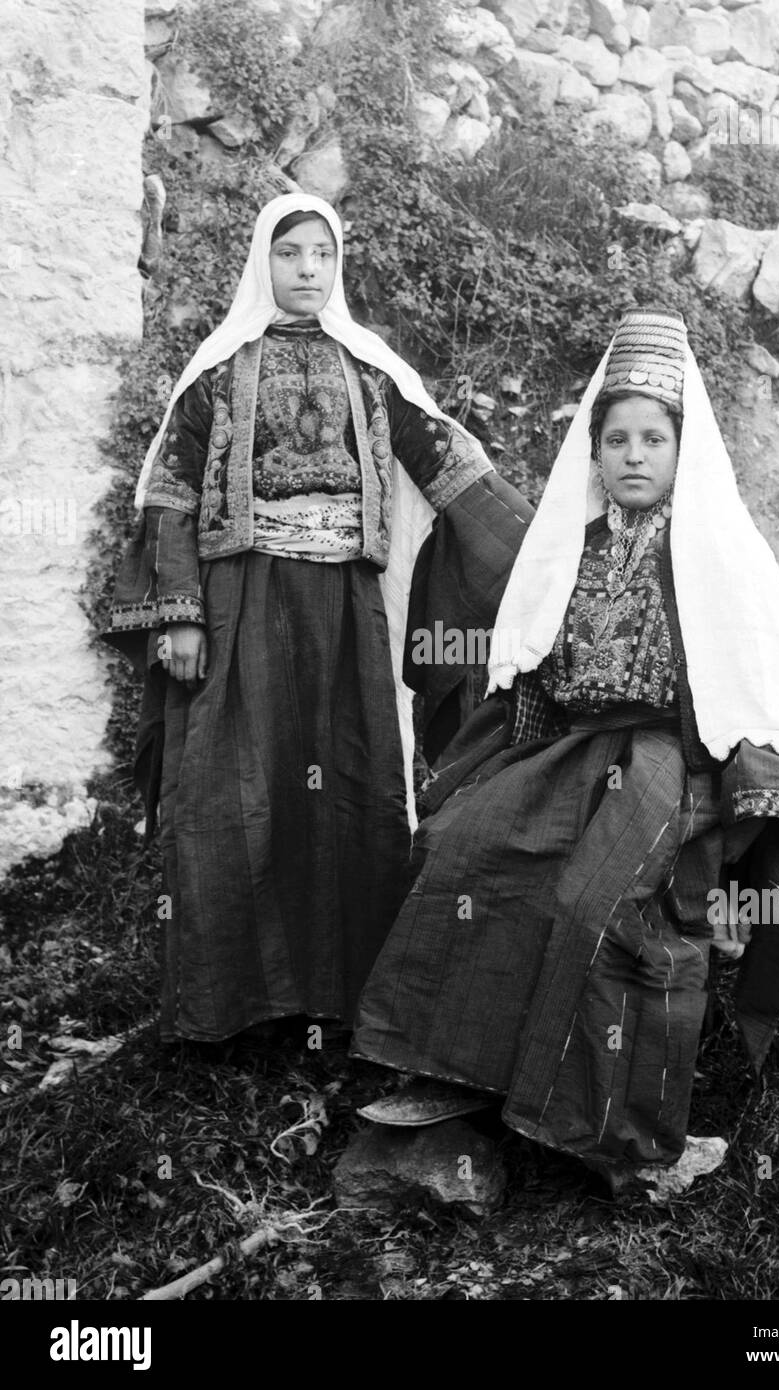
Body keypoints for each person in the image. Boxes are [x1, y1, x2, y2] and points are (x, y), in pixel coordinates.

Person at [350, 308, 779, 1191]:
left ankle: (626, 1139)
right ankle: (453, 1072)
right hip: (577, 748)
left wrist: (748, 801)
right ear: (594, 452)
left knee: (600, 903)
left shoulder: (717, 554)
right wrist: (494, 772)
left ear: (682, 450)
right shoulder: (567, 551)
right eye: (615, 439)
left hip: (673, 759)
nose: (634, 454)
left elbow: (756, 681)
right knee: (465, 846)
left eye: (654, 437)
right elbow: (530, 662)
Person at [103, 193, 532, 1045]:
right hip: (241, 604)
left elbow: (448, 466)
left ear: (339, 267)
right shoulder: (218, 374)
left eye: (322, 255)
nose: (307, 270)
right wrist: (180, 614)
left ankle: (341, 999)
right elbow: (170, 494)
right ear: (262, 263)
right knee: (234, 788)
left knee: (351, 784)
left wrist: (545, 553)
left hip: (344, 612)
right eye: (290, 253)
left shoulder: (369, 371)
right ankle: (230, 1006)